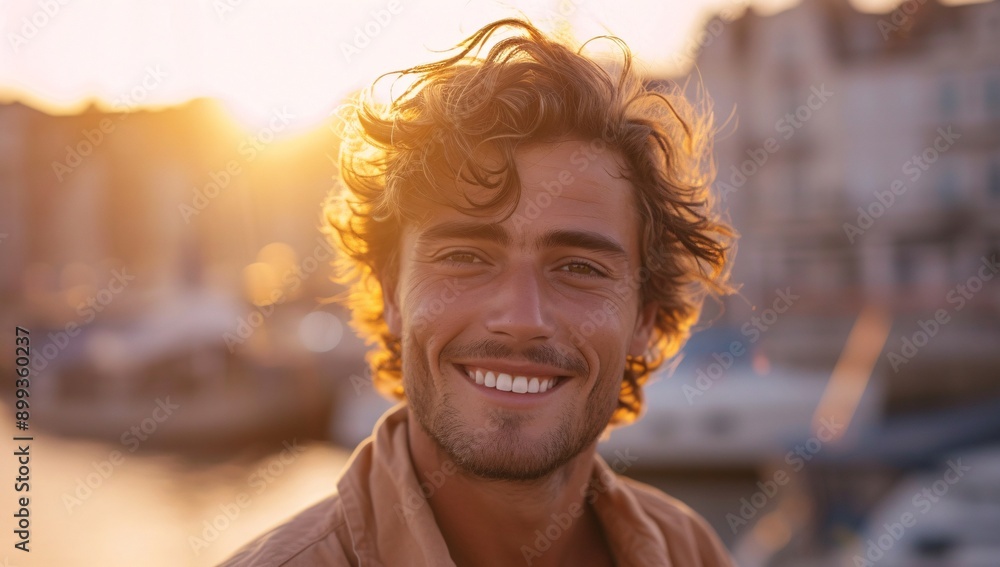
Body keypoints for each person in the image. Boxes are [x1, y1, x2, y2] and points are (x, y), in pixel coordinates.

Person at [222, 17, 735, 567]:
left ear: (645, 319)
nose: (520, 317)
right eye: (465, 258)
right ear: (392, 294)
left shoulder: (690, 551)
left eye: (580, 268)